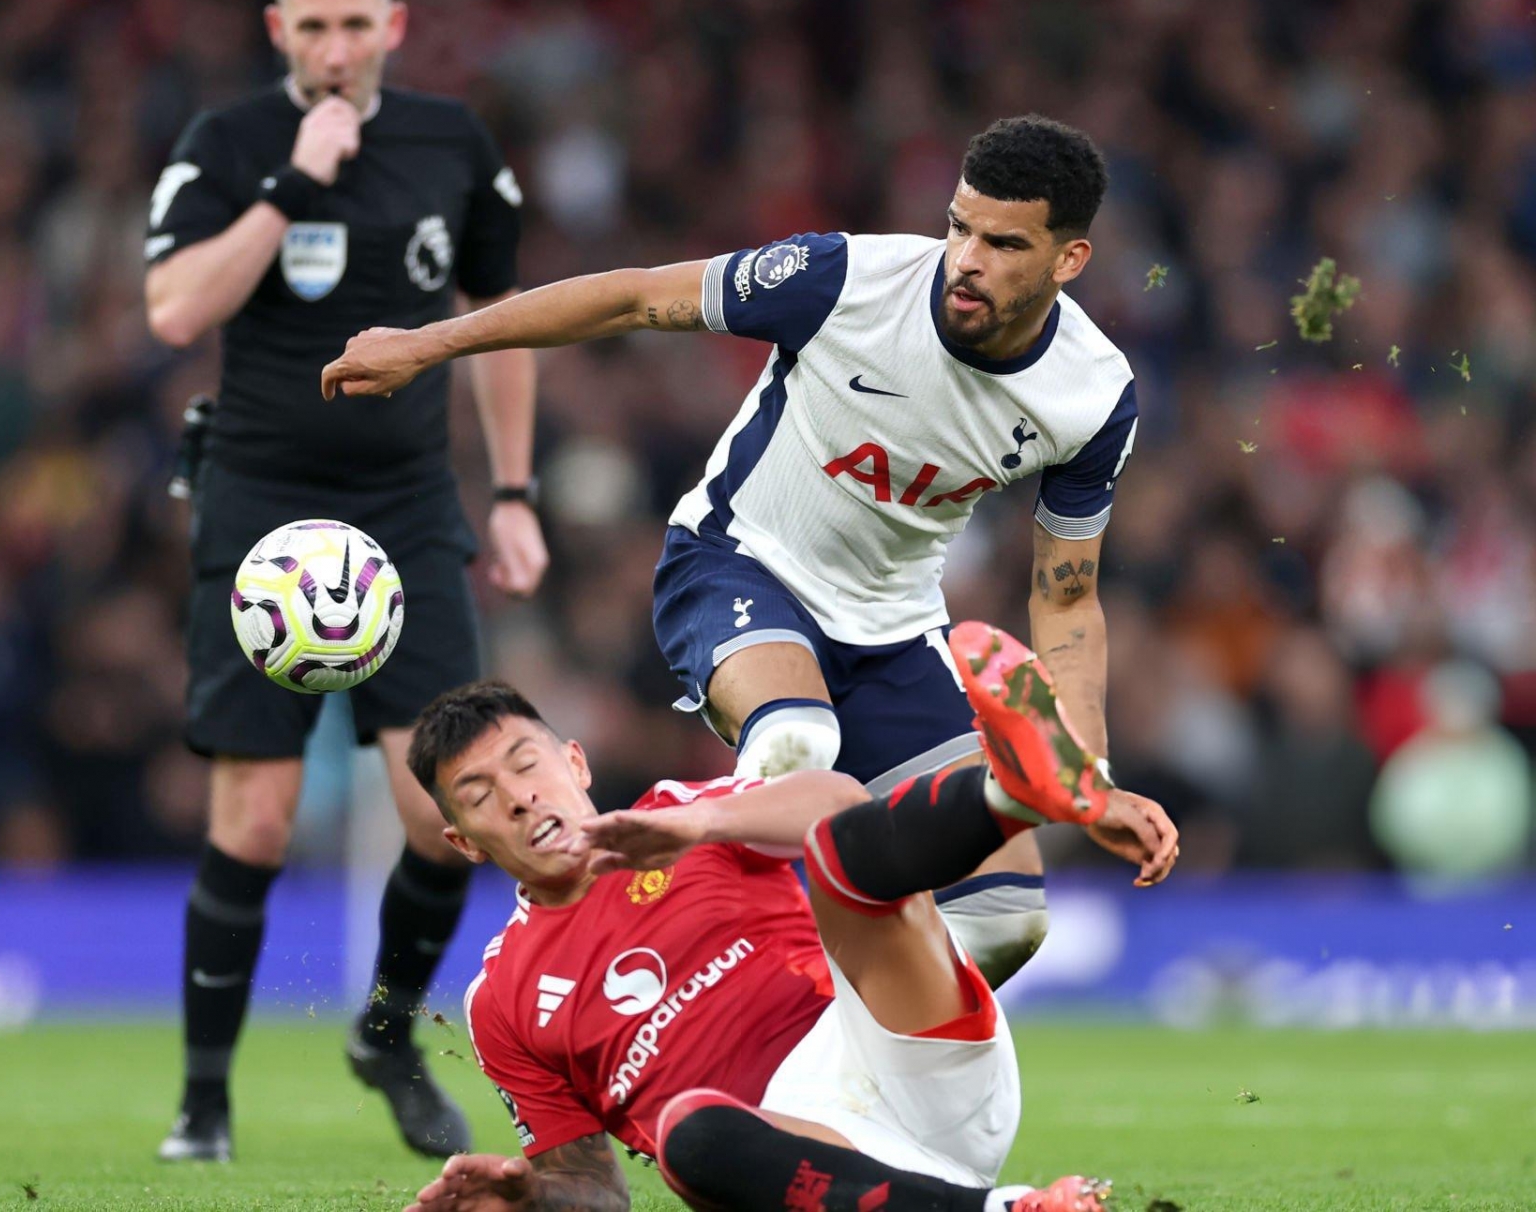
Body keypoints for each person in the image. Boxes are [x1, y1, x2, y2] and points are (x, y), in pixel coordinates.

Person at [324, 116, 1135, 990]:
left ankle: (791, 1061)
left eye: (1003, 243)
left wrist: (1088, 778)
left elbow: (1065, 598)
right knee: (796, 740)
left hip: (896, 633)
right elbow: (633, 297)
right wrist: (426, 345)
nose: (966, 259)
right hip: (740, 566)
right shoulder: (846, 280)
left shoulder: (1091, 396)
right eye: (958, 226)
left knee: (1006, 924)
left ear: (1068, 260)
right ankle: (626, 952)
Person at [144, 0, 547, 1162]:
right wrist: (290, 187)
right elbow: (173, 311)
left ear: (394, 26)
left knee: (449, 812)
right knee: (256, 819)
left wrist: (517, 489)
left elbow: (505, 320)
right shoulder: (230, 144)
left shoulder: (450, 143)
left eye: (353, 25)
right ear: (278, 31)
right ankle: (203, 1101)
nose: (332, 49)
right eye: (309, 27)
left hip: (410, 508)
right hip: (262, 508)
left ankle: (383, 1031)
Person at [397, 621, 1178, 1212]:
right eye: (481, 794)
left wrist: (696, 828)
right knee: (690, 1133)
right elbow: (594, 1189)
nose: (520, 795)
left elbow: (840, 801)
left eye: (527, 765)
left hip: (897, 1044)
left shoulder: (680, 811)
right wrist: (530, 1197)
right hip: (811, 1167)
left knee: (840, 852)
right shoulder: (499, 1003)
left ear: (574, 763)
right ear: (466, 842)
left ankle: (1014, 790)